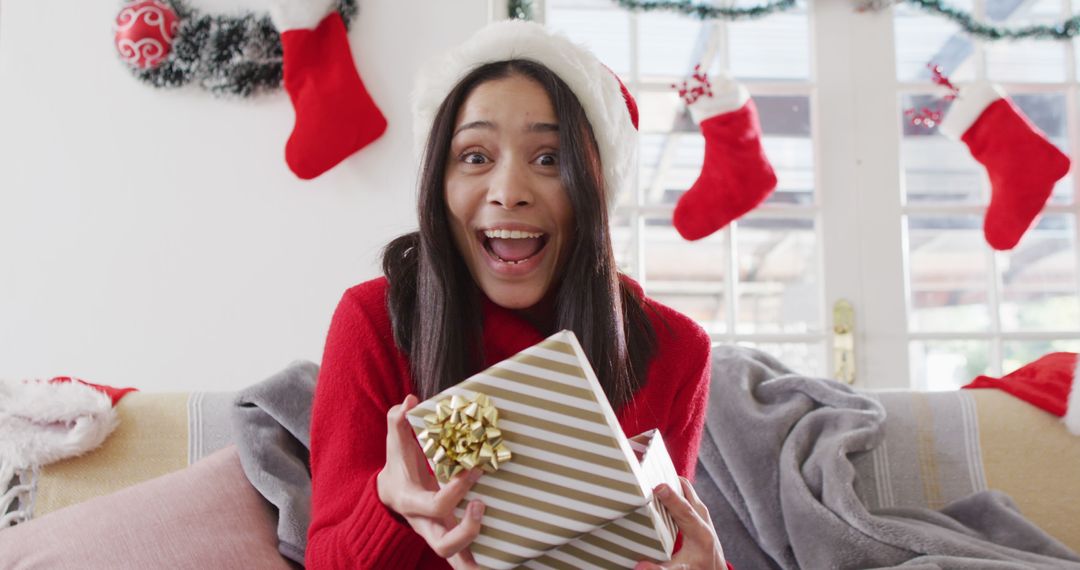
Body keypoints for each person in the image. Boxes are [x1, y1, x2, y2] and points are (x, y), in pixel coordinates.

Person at [305, 19, 726, 570]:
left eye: (549, 158)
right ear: (439, 182)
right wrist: (388, 502)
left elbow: (670, 545)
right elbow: (327, 560)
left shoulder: (676, 348)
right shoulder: (374, 320)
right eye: (475, 156)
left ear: (594, 185)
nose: (508, 193)